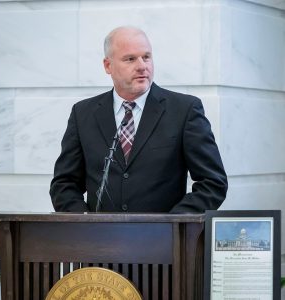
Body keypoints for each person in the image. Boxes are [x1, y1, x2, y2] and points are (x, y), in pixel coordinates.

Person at [50, 26, 228, 213]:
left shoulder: (184, 110)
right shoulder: (83, 113)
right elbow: (64, 184)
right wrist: (84, 224)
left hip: (165, 239)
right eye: (130, 59)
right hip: (99, 239)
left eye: (147, 57)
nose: (142, 66)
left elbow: (213, 182)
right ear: (108, 65)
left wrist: (174, 223)